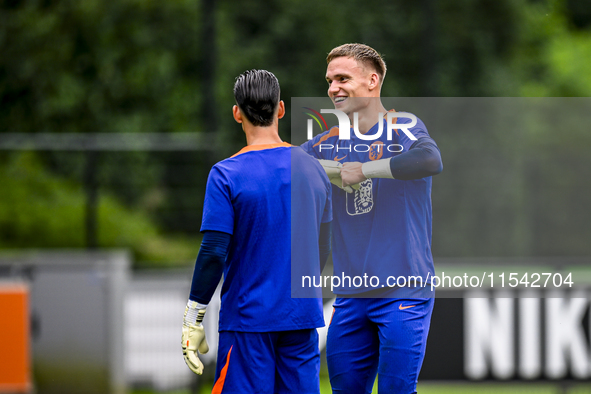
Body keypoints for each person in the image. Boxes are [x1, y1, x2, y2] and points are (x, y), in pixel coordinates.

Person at [300, 43, 443, 393]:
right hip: (349, 298)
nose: (333, 87)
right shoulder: (325, 143)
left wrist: (364, 170)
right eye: (330, 80)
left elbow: (429, 160)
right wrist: (331, 170)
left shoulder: (401, 127)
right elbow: (282, 166)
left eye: (343, 78)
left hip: (403, 293)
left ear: (372, 81)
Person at [181, 69, 332, 394]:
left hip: (248, 321)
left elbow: (213, 252)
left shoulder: (226, 174)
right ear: (280, 109)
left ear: (237, 113)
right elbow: (324, 244)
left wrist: (193, 318)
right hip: (301, 318)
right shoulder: (314, 167)